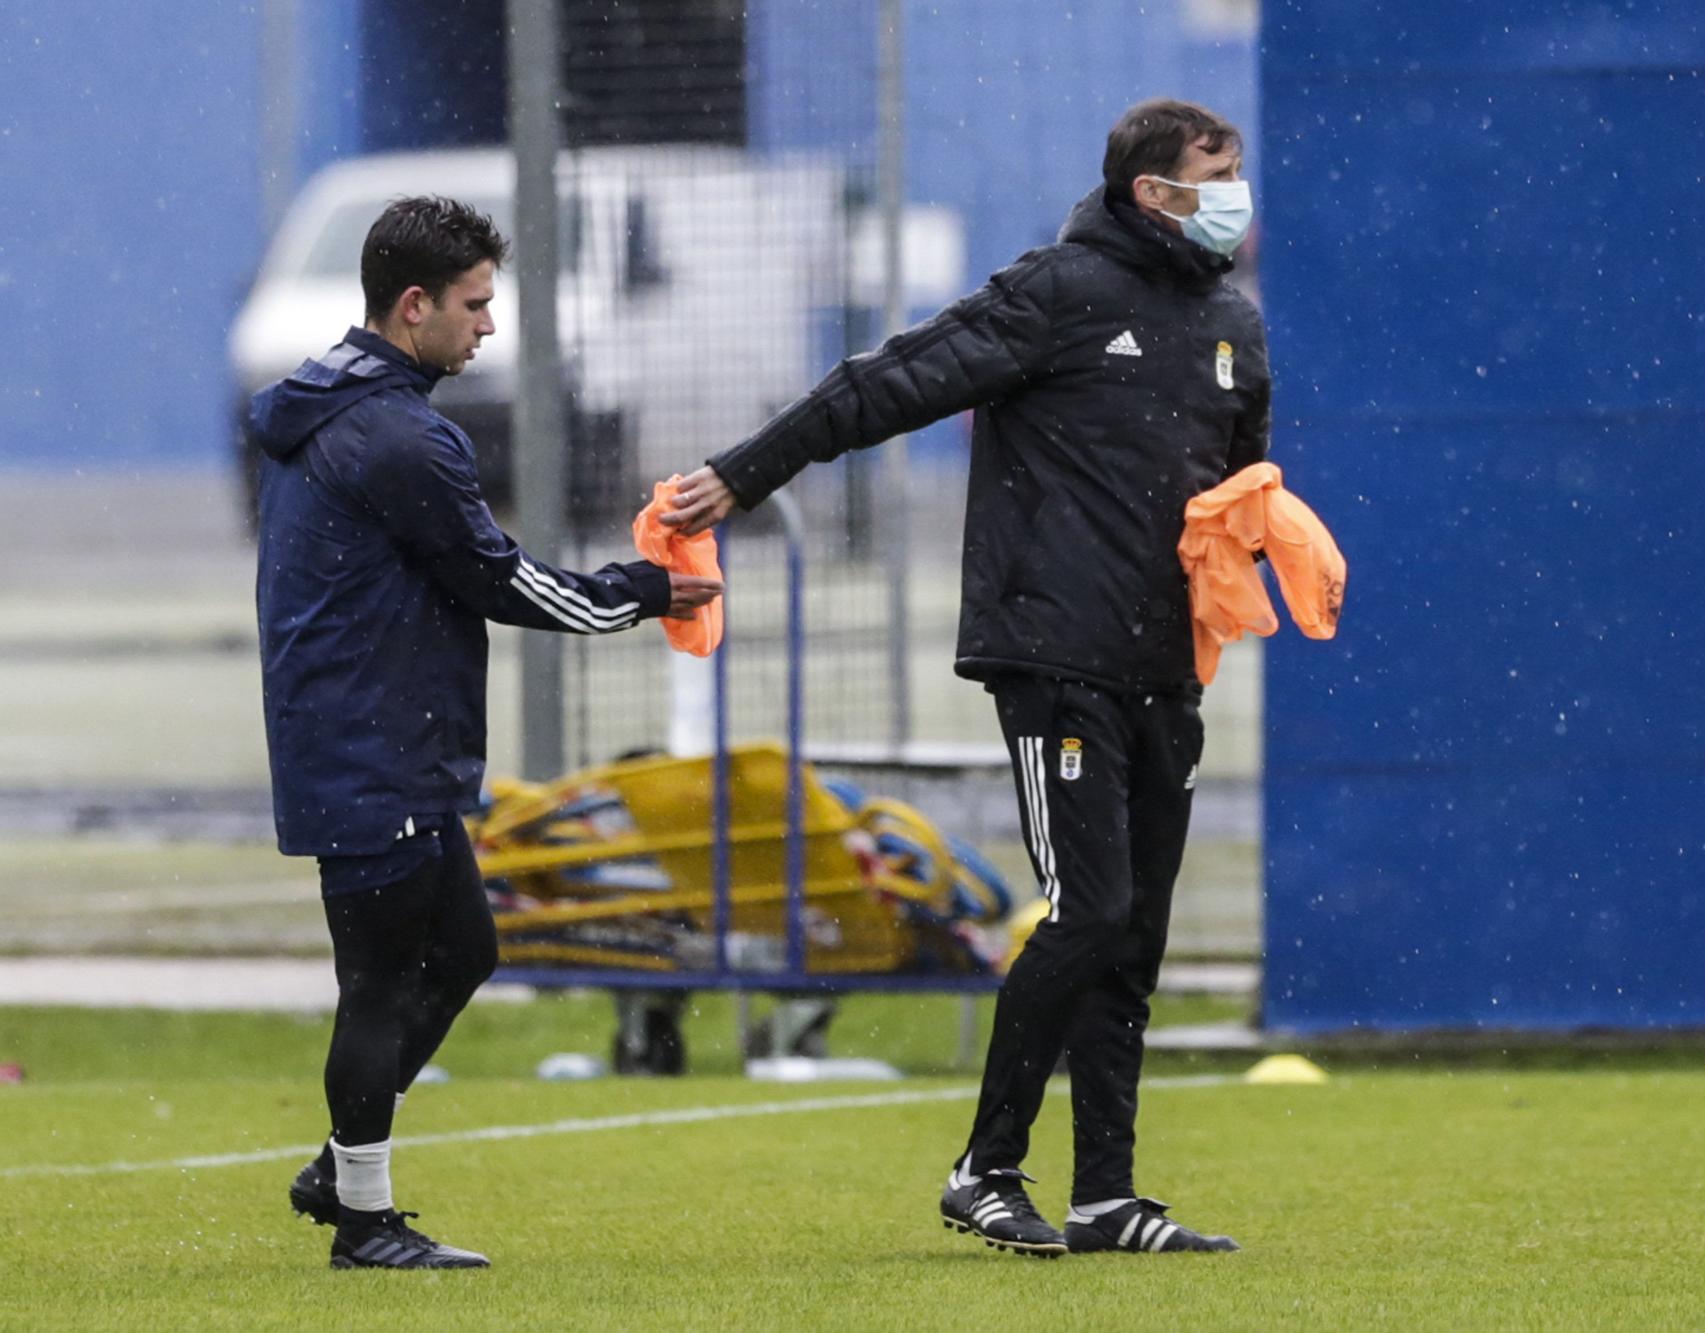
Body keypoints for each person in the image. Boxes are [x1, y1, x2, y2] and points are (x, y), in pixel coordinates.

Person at [666, 98, 1265, 1257]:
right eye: (1216, 173)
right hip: (1052, 652)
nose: (1237, 195)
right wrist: (743, 475)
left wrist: (1262, 520)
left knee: (1130, 933)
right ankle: (982, 1170)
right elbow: (884, 381)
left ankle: (1106, 1196)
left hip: (1161, 665)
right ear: (1155, 192)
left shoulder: (1233, 321)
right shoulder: (1060, 291)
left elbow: (1239, 475)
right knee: (1086, 911)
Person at [251, 196, 722, 1270]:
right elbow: (499, 580)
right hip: (371, 742)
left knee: (466, 947)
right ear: (412, 306)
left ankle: (341, 1162)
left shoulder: (331, 403)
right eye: (474, 305)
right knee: (378, 980)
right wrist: (642, 591)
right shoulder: (402, 435)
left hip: (366, 733)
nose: (489, 327)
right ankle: (364, 1220)